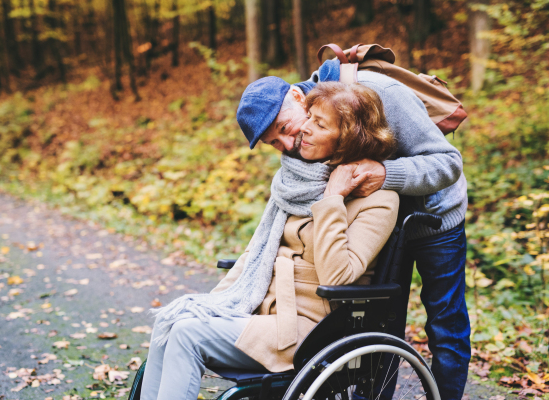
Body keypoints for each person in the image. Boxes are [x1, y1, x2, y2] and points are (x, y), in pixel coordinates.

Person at [139, 82, 399, 400]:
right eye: (310, 119)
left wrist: (333, 199)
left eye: (319, 124)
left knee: (186, 335)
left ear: (348, 135)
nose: (303, 132)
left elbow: (338, 277)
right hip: (266, 314)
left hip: (311, 329)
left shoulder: (379, 199)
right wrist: (213, 306)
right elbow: (257, 254)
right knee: (173, 323)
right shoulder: (298, 183)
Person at [236, 64, 470, 400]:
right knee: (380, 326)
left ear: (298, 97)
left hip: (434, 214)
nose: (288, 143)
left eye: (286, 129)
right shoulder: (308, 122)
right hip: (379, 220)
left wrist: (386, 173)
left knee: (445, 324)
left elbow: (448, 163)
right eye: (276, 142)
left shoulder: (383, 94)